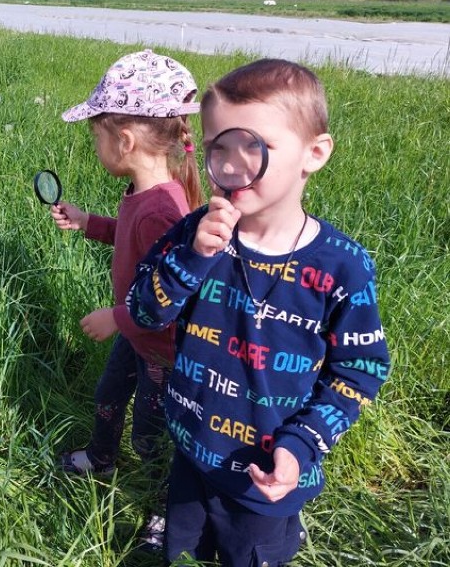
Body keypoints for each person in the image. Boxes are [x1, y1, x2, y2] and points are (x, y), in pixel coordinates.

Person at [126, 58, 390, 566]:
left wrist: (301, 445)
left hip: (266, 472)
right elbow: (143, 310)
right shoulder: (195, 234)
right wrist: (191, 260)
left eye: (255, 147)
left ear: (314, 153)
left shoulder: (343, 267)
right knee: (185, 551)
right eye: (217, 149)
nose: (231, 167)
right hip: (191, 444)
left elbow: (359, 371)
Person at [51, 49, 204, 551]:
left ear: (125, 139)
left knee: (153, 435)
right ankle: (101, 456)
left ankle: (166, 512)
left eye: (96, 135)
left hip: (159, 347)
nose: (95, 146)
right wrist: (88, 222)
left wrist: (117, 317)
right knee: (108, 394)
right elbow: (133, 240)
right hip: (138, 337)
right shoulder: (151, 194)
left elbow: (175, 293)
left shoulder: (161, 206)